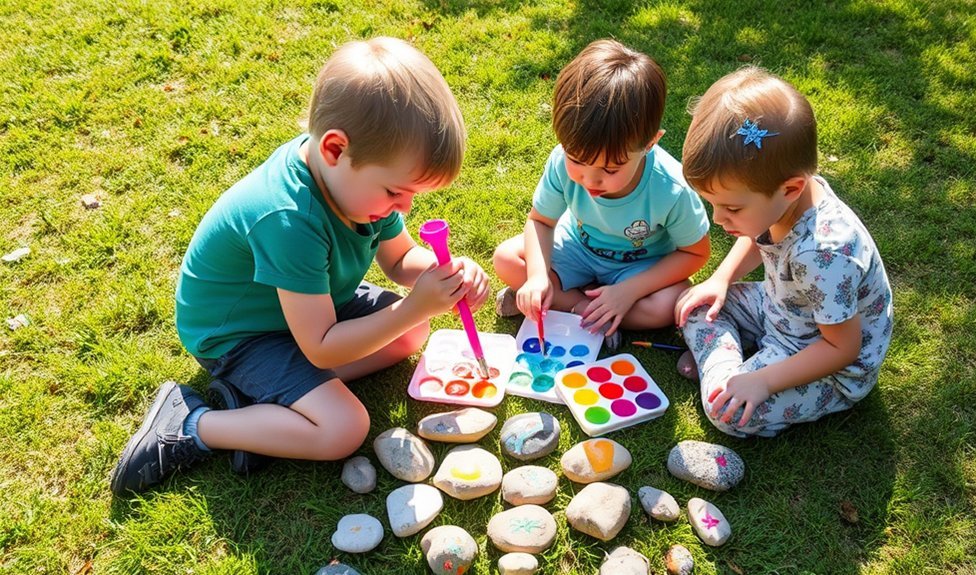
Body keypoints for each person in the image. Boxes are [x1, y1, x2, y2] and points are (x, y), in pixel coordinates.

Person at [110, 37, 488, 495]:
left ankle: (271, 401)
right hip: (240, 336)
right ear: (334, 149)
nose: (403, 208)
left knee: (411, 334)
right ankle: (194, 423)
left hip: (308, 312)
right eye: (394, 192)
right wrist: (415, 306)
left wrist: (440, 277)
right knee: (344, 429)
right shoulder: (289, 220)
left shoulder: (351, 177)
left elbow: (401, 258)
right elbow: (323, 349)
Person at [674, 66, 893, 437]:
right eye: (712, 203)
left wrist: (764, 381)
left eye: (732, 208)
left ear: (790, 188)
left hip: (822, 361)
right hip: (783, 309)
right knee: (694, 304)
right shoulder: (787, 197)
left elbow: (842, 348)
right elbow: (761, 234)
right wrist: (721, 279)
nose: (718, 218)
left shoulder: (825, 255)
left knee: (724, 411)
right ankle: (732, 364)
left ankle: (729, 368)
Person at [491, 39, 711, 349]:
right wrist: (539, 276)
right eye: (577, 160)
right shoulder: (559, 160)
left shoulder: (670, 187)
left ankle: (568, 300)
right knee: (506, 259)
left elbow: (695, 252)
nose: (590, 179)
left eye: (610, 168)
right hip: (577, 249)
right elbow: (540, 222)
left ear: (650, 144)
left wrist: (630, 290)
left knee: (667, 305)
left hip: (637, 267)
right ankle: (582, 306)